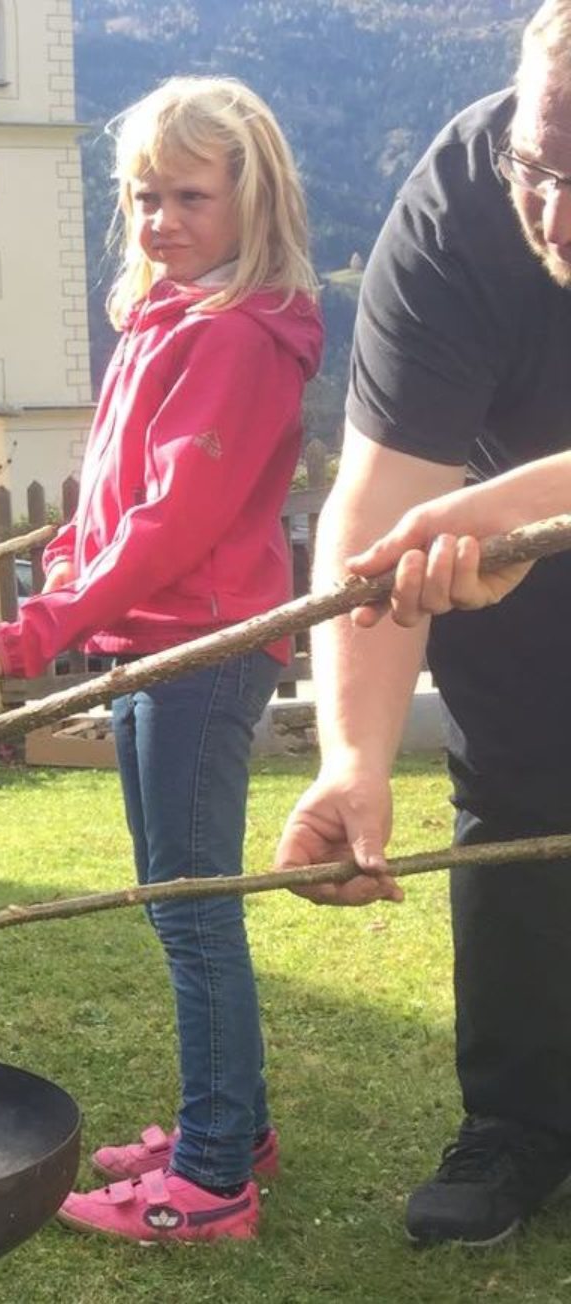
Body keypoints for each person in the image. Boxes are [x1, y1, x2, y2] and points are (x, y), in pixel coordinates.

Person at [0, 77, 322, 1242]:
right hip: (147, 646)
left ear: (251, 201)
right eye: (143, 196)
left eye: (190, 197)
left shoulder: (236, 339)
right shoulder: (162, 321)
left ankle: (214, 1179)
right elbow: (109, 500)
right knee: (180, 902)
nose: (162, 219)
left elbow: (173, 521)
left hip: (203, 651)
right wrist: (56, 587)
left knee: (193, 908)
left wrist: (50, 625)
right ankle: (236, 1119)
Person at [272, 0, 571, 1248]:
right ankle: (520, 1120)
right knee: (516, 781)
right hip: (512, 574)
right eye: (543, 165)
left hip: (517, 509)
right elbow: (385, 502)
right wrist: (354, 758)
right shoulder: (457, 207)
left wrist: (526, 501)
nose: (558, 219)